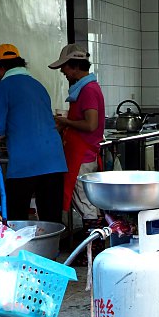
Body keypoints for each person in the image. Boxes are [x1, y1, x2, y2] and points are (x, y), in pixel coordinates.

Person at [0, 43, 66, 222]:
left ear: (1, 68)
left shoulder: (3, 87)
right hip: (54, 160)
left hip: (25, 162)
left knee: (17, 217)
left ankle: (20, 250)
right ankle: (51, 250)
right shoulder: (38, 85)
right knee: (51, 219)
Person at [50, 43, 105, 235]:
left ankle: (93, 247)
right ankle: (91, 245)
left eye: (64, 67)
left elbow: (90, 124)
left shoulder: (88, 90)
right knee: (85, 200)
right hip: (81, 152)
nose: (63, 72)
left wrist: (65, 122)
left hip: (82, 154)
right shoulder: (86, 88)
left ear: (74, 66)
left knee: (85, 201)